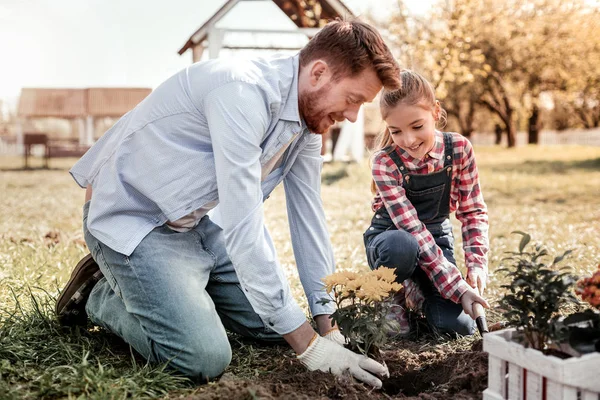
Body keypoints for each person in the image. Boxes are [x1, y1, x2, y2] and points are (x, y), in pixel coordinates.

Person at [55, 20, 402, 388]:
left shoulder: (306, 125)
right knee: (203, 357)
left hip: (193, 224)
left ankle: (181, 291)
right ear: (318, 73)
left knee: (275, 325)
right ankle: (100, 293)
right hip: (133, 222)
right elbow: (243, 229)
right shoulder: (240, 93)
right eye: (353, 100)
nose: (352, 117)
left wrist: (326, 324)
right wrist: (310, 348)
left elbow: (308, 219)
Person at [364, 70, 490, 338]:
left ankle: (418, 291)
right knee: (403, 247)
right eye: (395, 131)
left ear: (435, 112)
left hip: (437, 238)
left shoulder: (459, 149)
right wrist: (456, 286)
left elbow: (472, 212)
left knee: (456, 328)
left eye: (417, 126)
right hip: (392, 241)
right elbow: (412, 231)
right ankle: (392, 293)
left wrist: (476, 265)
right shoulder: (385, 163)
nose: (408, 140)